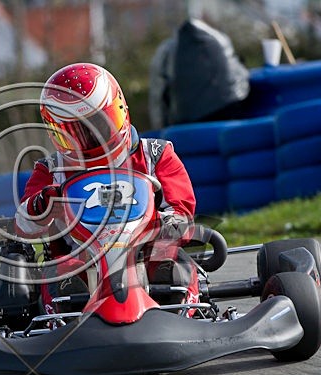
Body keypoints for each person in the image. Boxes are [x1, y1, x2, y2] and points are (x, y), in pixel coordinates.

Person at [15, 62, 199, 314]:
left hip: (146, 250)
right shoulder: (51, 170)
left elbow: (182, 210)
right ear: (55, 132)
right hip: (79, 259)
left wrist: (169, 223)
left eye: (98, 125)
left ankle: (176, 313)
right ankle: (67, 323)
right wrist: (42, 205)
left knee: (168, 261)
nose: (91, 139)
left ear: (120, 111)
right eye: (76, 132)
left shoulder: (154, 155)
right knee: (62, 274)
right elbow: (24, 225)